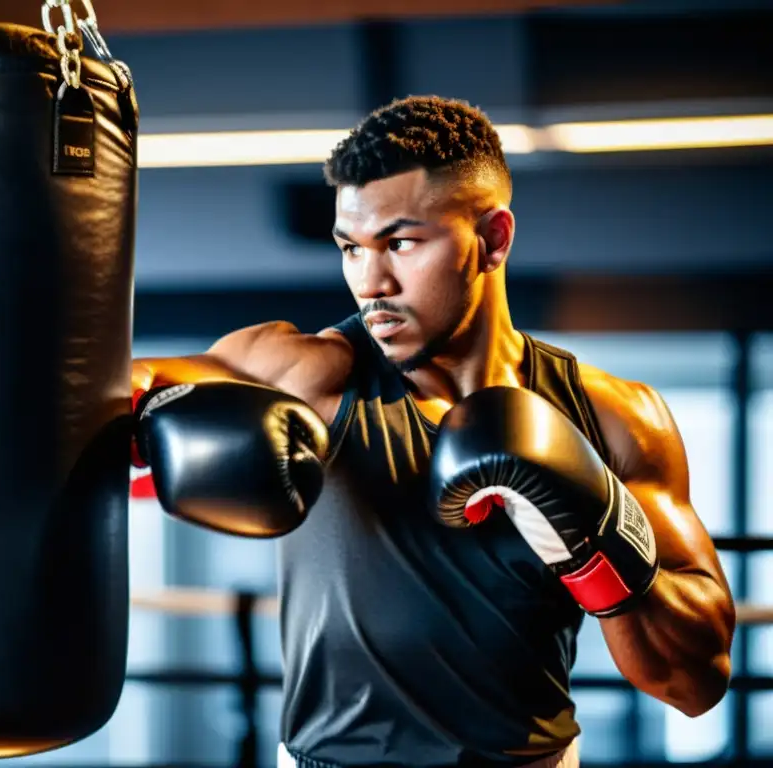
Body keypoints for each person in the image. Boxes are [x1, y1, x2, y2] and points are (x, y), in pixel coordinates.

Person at [130, 95, 736, 767]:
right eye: (351, 249)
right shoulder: (306, 374)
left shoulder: (610, 417)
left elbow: (695, 682)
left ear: (493, 239)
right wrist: (140, 405)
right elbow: (131, 383)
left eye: (400, 243)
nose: (371, 282)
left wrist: (599, 547)